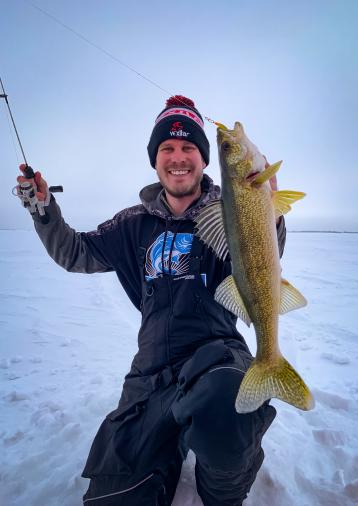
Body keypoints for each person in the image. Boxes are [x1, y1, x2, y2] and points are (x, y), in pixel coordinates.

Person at [16, 95, 286, 506]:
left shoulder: (227, 211)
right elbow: (76, 252)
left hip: (215, 358)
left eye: (189, 147)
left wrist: (272, 214)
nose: (178, 157)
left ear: (204, 159)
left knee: (228, 404)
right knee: (116, 494)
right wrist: (44, 209)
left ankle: (221, 494)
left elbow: (261, 256)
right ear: (155, 159)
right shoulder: (132, 224)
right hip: (150, 373)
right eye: (168, 148)